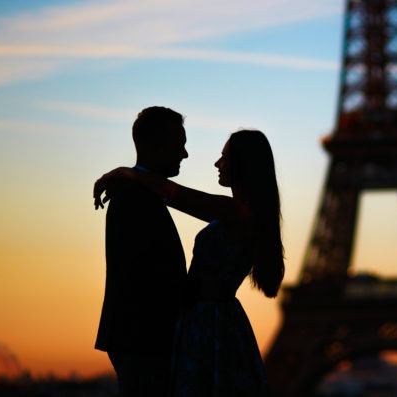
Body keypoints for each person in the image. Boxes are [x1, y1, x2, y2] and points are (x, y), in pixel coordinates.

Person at [94, 129, 285, 396]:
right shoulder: (242, 214)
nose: (218, 164)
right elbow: (171, 195)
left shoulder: (235, 212)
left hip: (208, 321)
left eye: (225, 157)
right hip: (217, 319)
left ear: (242, 165)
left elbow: (170, 192)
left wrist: (122, 172)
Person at [94, 106, 190, 397]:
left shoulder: (134, 192)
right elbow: (147, 277)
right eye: (179, 144)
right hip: (146, 340)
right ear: (155, 145)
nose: (184, 154)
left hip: (140, 338)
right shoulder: (134, 196)